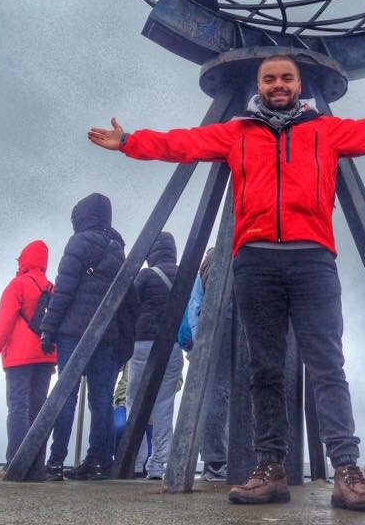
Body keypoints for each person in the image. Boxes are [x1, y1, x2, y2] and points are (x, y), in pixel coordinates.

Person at [89, 53, 365, 511]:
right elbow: (183, 143)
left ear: (298, 85)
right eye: (270, 78)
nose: (278, 84)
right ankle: (270, 468)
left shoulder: (325, 131)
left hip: (312, 259)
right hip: (255, 261)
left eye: (286, 78)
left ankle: (346, 470)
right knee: (265, 370)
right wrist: (129, 142)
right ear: (260, 86)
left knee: (327, 365)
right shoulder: (237, 133)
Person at [39, 192, 134, 481]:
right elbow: (128, 302)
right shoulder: (119, 250)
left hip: (73, 332)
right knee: (101, 399)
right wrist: (124, 342)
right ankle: (98, 462)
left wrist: (48, 328)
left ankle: (55, 462)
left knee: (66, 395)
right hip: (106, 335)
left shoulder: (79, 242)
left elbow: (64, 289)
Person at [0, 240, 57, 480]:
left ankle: (14, 465)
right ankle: (36, 467)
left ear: (24, 260)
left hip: (19, 356)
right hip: (45, 356)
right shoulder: (52, 287)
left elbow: (3, 322)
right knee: (38, 411)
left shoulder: (18, 285)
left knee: (18, 408)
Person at [126, 230, 184, 480]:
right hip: (172, 345)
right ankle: (159, 464)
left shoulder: (146, 275)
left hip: (143, 343)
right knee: (164, 403)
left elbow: (130, 306)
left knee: (134, 401)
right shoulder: (185, 273)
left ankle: (134, 461)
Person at [178, 247, 232, 482]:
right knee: (229, 391)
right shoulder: (234, 253)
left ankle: (214, 460)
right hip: (232, 320)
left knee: (216, 390)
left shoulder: (208, 261)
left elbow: (196, 303)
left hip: (211, 323)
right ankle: (220, 459)